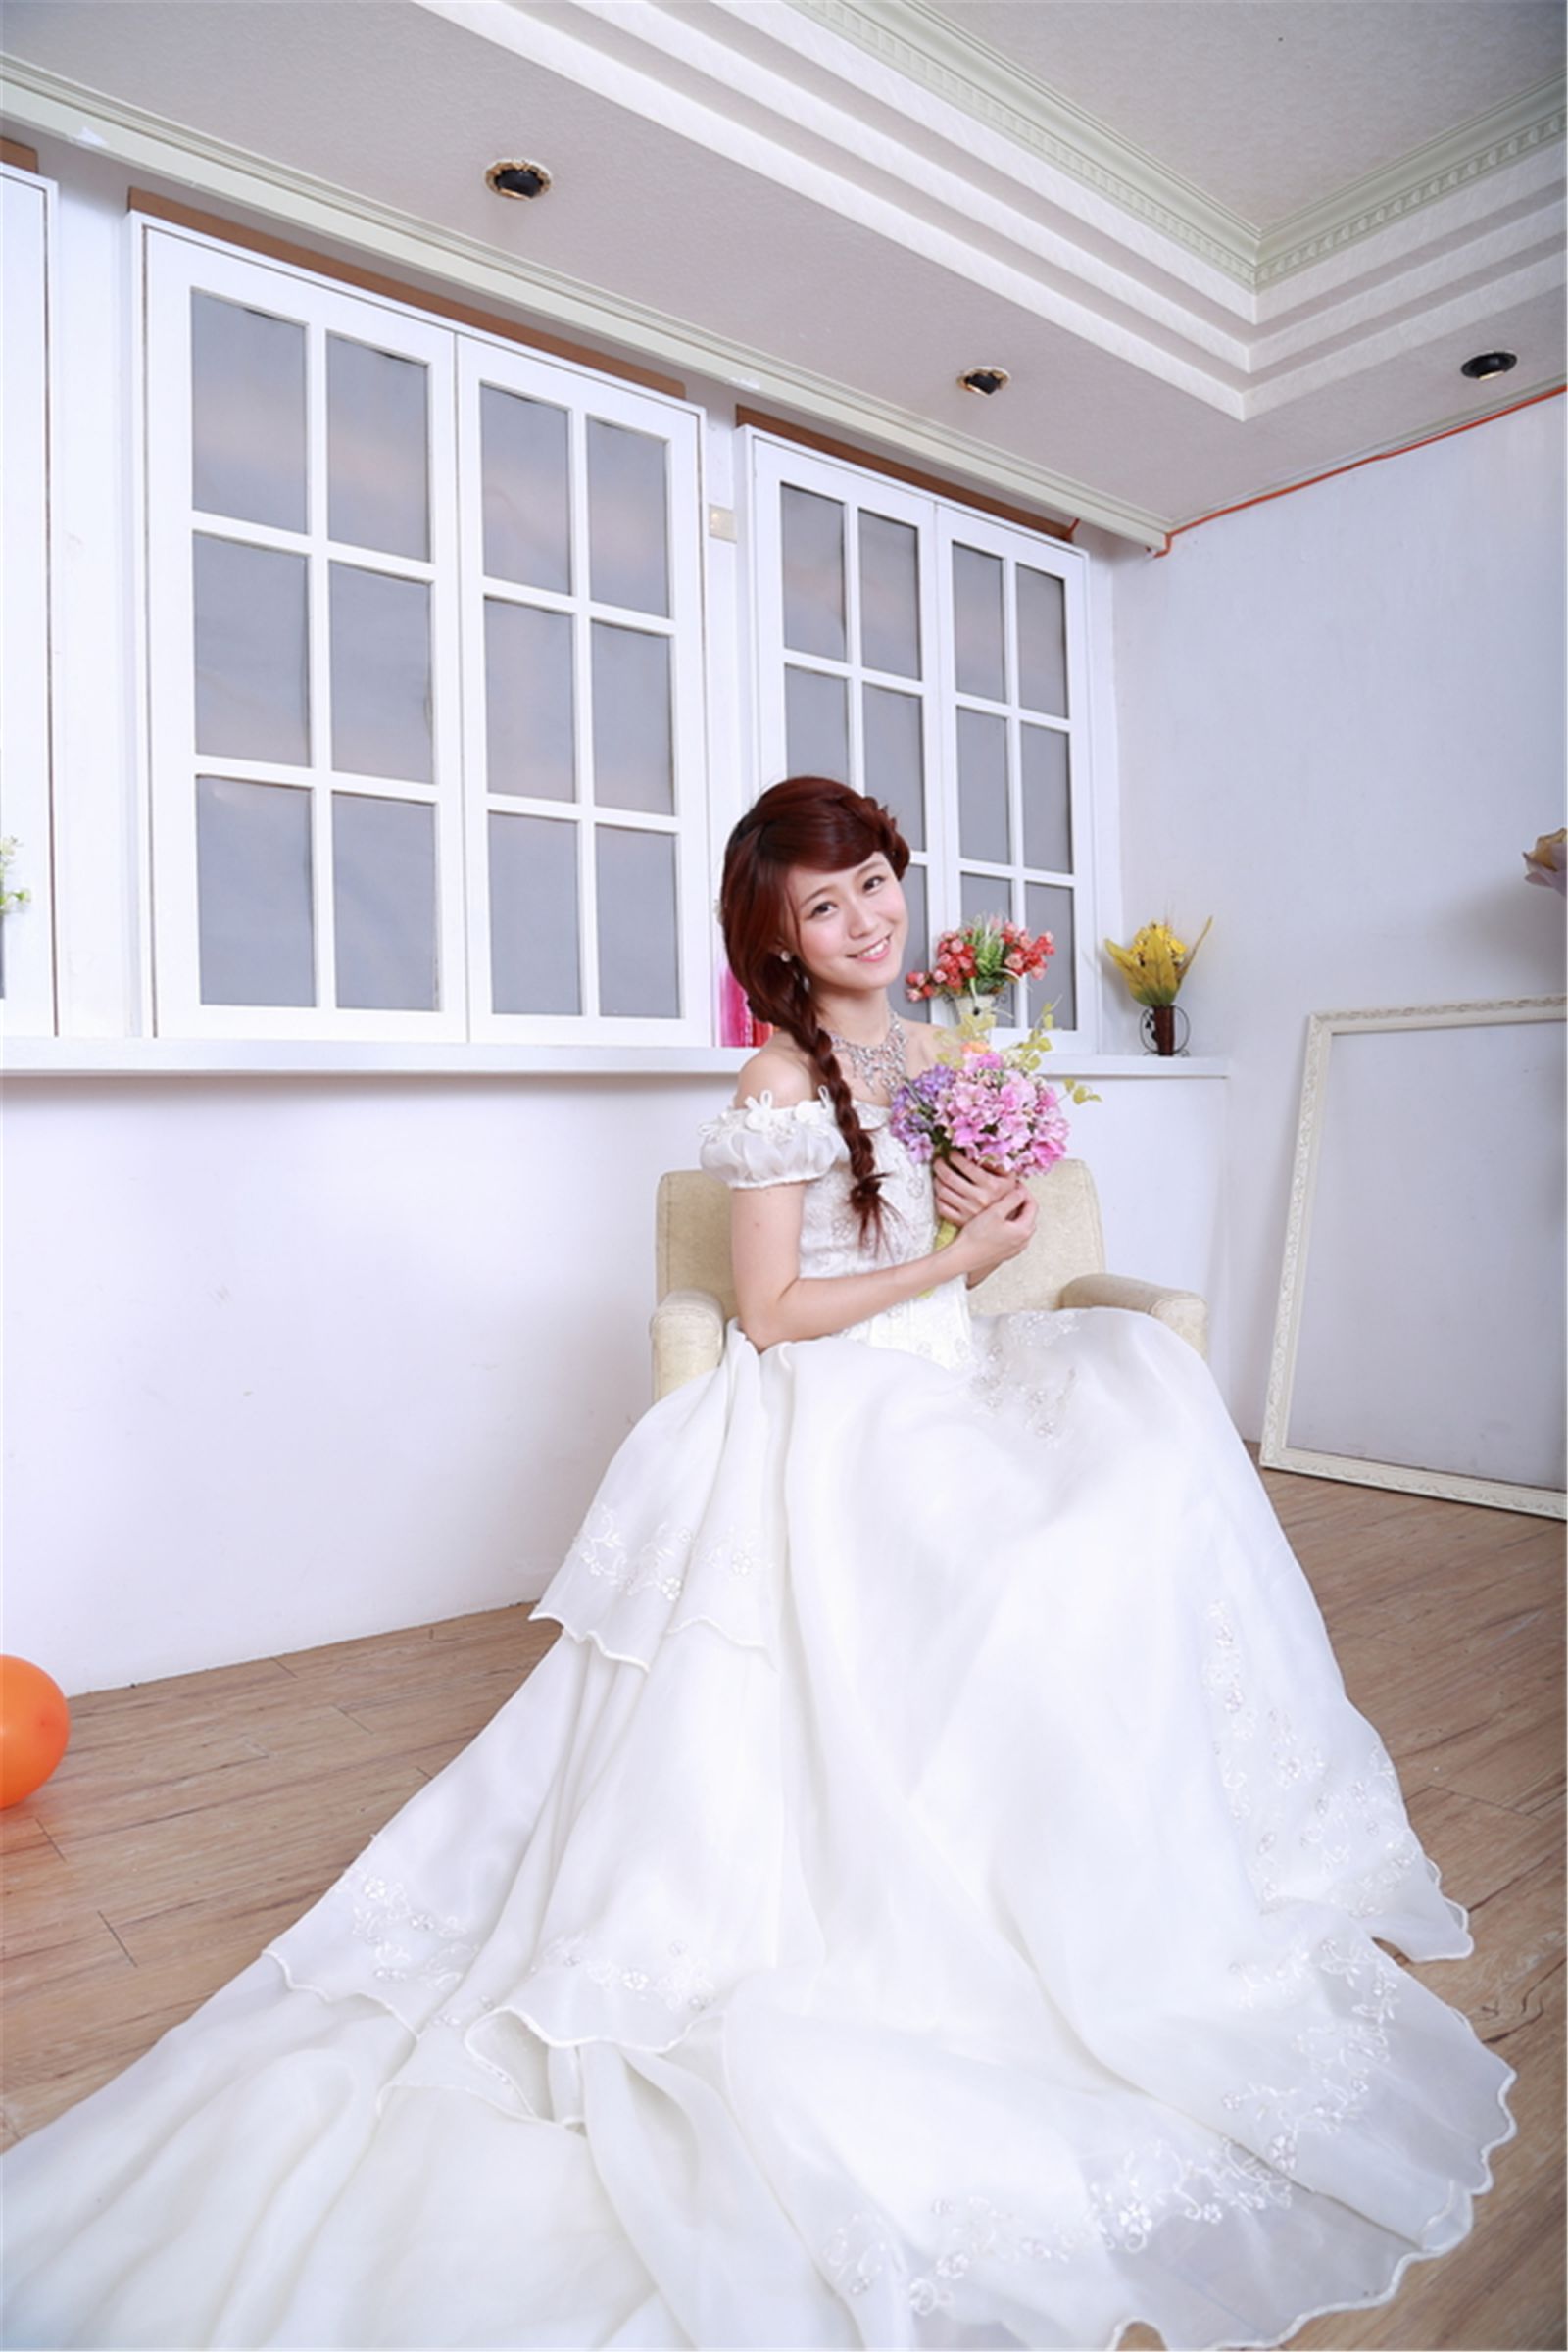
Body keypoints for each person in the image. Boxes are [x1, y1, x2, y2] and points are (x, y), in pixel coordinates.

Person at [3, 776, 1515, 2351]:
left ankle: (1147, 1870)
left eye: (876, 884)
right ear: (779, 942)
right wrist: (962, 1259)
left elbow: (976, 1234)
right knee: (1010, 1558)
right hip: (844, 1397)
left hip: (956, 1371)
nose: (866, 921)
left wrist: (995, 1212)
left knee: (1144, 1426)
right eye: (825, 905)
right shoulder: (778, 1075)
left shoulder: (940, 1052)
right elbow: (776, 1316)